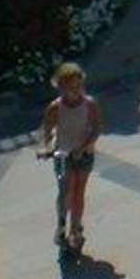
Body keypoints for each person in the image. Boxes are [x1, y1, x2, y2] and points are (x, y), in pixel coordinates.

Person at [37, 61, 102, 255]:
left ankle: (75, 228)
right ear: (61, 87)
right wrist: (45, 146)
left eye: (79, 85)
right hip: (64, 154)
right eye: (71, 87)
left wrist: (85, 146)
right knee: (66, 191)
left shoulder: (89, 104)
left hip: (83, 154)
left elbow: (96, 128)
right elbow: (45, 130)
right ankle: (61, 224)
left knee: (78, 192)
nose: (76, 90)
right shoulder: (55, 108)